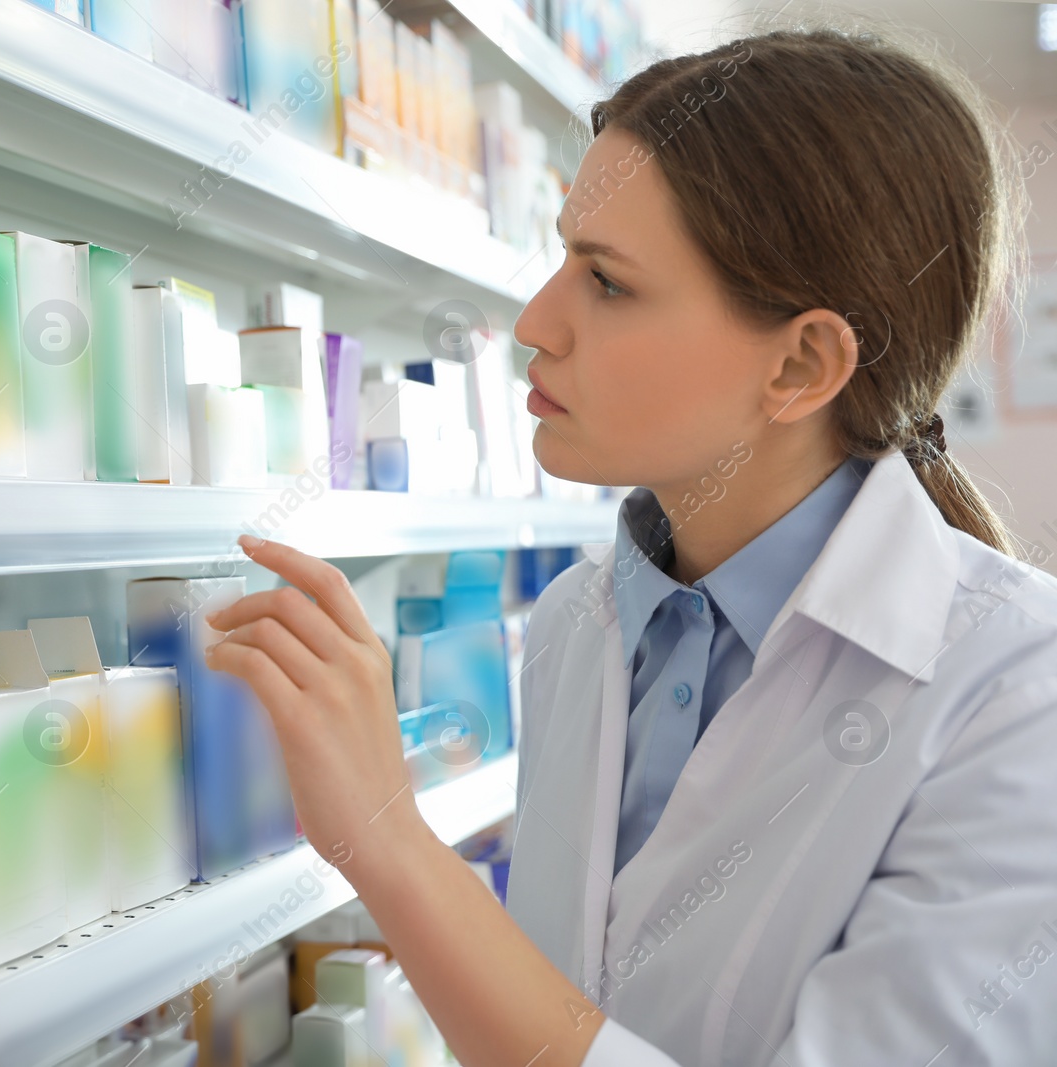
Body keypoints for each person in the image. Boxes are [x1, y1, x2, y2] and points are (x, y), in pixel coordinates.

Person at [204, 26, 1057, 1067]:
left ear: (800, 363)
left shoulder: (1018, 691)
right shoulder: (576, 620)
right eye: (561, 256)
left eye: (605, 281)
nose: (534, 323)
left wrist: (386, 839)